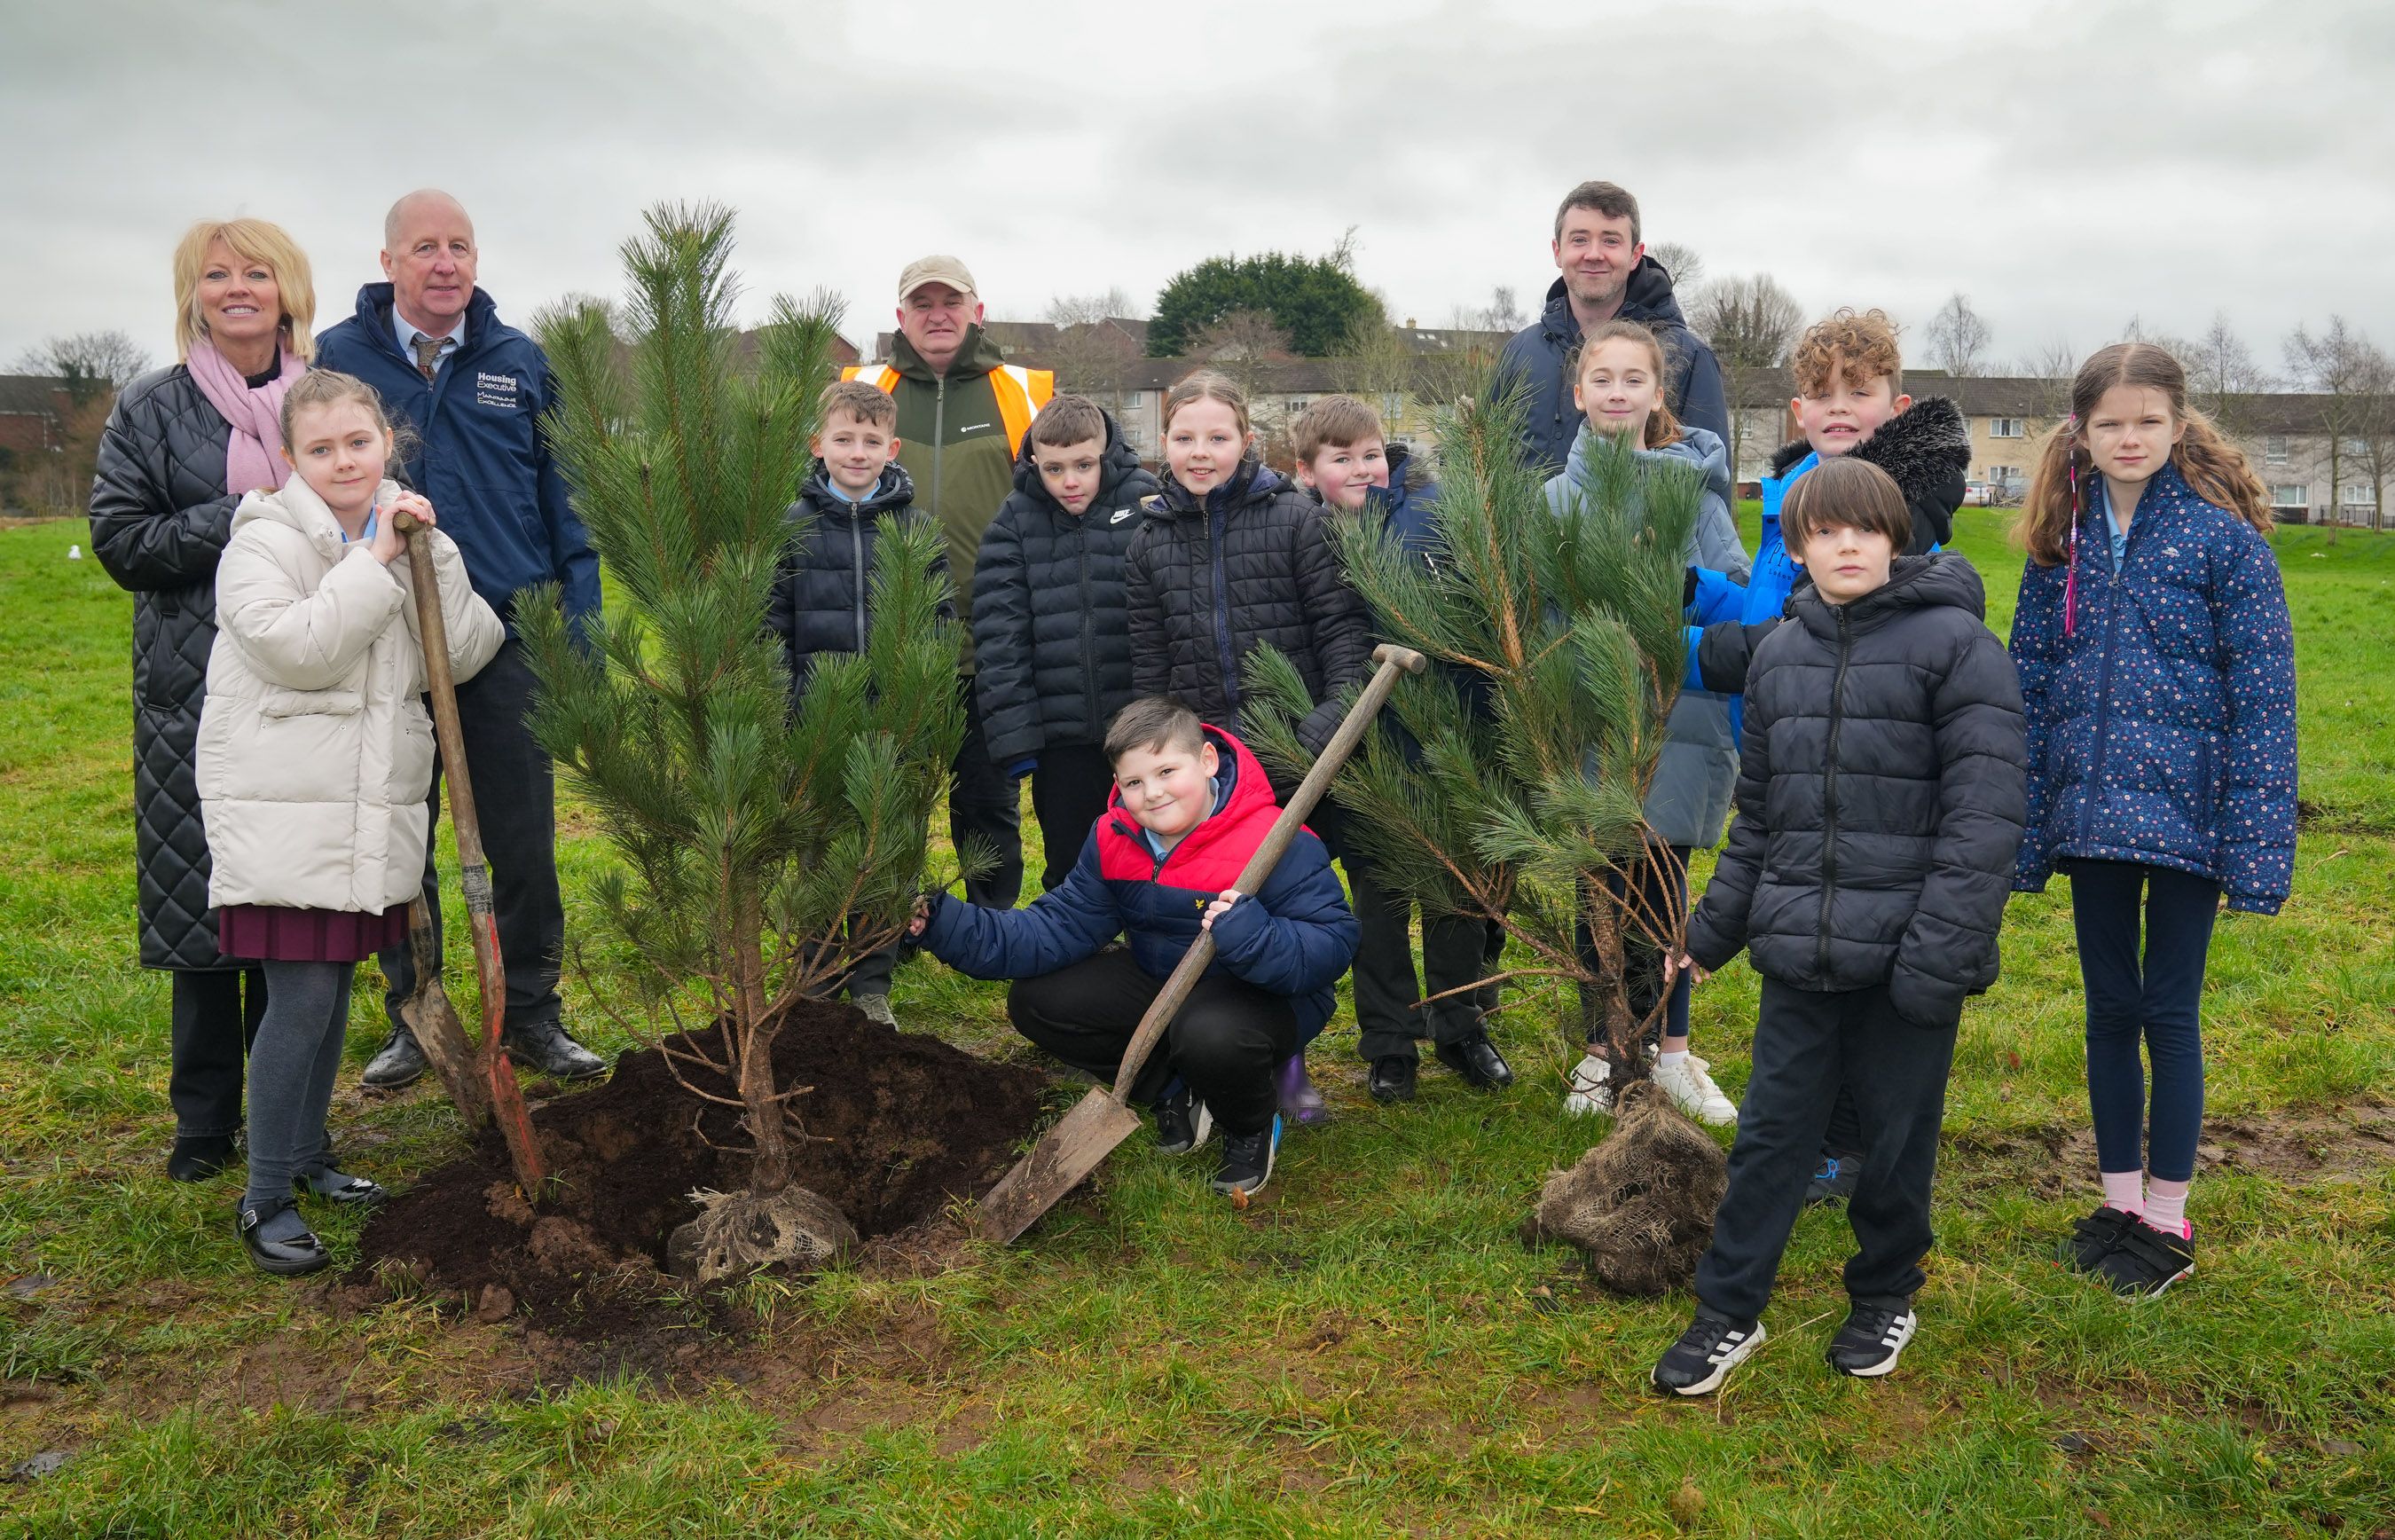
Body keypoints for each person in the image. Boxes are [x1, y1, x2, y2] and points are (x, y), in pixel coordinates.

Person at [1652, 457, 2026, 1395]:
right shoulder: (1781, 654)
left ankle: (1885, 1290)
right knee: (1772, 1135)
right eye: (1823, 530)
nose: (1845, 543)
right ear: (1798, 544)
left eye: (1864, 527)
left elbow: (1985, 822)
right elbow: (1762, 821)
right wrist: (1709, 931)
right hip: (1801, 955)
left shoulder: (1959, 646)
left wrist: (1939, 954)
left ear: (1896, 536)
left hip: (1911, 957)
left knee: (1895, 1143)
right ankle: (1728, 1310)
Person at [199, 369, 502, 1274]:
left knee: (330, 994)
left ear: (387, 446)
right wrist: (374, 565)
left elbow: (470, 648)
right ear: (290, 457)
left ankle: (306, 1154)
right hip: (288, 812)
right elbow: (300, 650)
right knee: (302, 998)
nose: (343, 461)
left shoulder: (398, 535)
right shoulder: (262, 541)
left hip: (366, 815)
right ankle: (264, 1196)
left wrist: (429, 556)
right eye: (321, 448)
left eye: (358, 444)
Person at [2009, 342, 2296, 1300]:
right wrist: (2026, 812)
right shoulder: (2062, 546)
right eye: (2109, 424)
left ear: (2178, 426)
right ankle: (2119, 1200)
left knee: (2168, 1011)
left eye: (2147, 421)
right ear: (2081, 437)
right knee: (2107, 1009)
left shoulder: (2226, 543)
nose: (2129, 438)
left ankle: (2168, 1219)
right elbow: (2032, 682)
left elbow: (2264, 700)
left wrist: (2254, 840)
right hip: (2091, 813)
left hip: (2190, 818)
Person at [315, 190, 605, 1088]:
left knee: (520, 834)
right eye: (427, 247)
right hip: (391, 632)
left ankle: (530, 1011)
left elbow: (565, 494)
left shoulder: (517, 360)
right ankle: (419, 1011)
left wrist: (579, 627)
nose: (447, 263)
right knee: (402, 835)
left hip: (509, 632)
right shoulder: (340, 358)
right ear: (389, 261)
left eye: (462, 247)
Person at [1687, 306, 1974, 1203]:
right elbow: (1771, 606)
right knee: (1812, 948)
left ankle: (1850, 1147)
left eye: (1860, 391)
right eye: (1822, 393)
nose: (1840, 406)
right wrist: (1695, 592)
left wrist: (1694, 653)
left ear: (1897, 401)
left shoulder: (1896, 503)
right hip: (1799, 752)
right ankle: (1826, 1129)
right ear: (1798, 409)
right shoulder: (1793, 494)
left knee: (1860, 950)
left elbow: (1821, 630)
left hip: (1873, 759)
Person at [909, 698, 1359, 1199]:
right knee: (1039, 1001)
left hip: (1263, 996)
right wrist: (941, 921)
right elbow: (1051, 929)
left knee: (1210, 1034)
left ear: (1207, 760)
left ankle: (1251, 1124)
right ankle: (1174, 1089)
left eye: (1167, 770)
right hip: (1166, 980)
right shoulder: (1115, 837)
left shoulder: (1276, 840)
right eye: (1134, 782)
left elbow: (1332, 945)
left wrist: (1254, 935)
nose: (1154, 793)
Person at [89, 217, 316, 1182]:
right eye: (216, 275)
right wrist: (240, 517)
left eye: (255, 273)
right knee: (201, 907)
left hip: (304, 681)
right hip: (195, 683)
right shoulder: (152, 407)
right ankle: (203, 1120)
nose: (237, 289)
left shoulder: (328, 398)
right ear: (193, 293)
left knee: (289, 903)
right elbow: (122, 542)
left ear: (285, 289)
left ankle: (291, 1115)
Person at [1124, 371, 1379, 1119]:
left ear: (1247, 441)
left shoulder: (1296, 520)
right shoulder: (1148, 544)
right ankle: (1219, 1058)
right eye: (1184, 438)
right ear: (1162, 442)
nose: (1200, 453)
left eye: (1217, 437)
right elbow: (1151, 664)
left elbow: (1338, 630)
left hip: (1301, 747)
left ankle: (1289, 1057)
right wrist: (1166, 760)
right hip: (1212, 765)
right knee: (1224, 906)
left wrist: (1330, 715)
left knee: (1293, 911)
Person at [1541, 321, 1748, 1128]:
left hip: (1679, 716)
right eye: (1603, 379)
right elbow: (1535, 612)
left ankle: (1671, 1055)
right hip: (1591, 719)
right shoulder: (1555, 499)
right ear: (1579, 393)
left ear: (1660, 395)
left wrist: (1670, 593)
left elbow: (1728, 586)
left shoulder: (1692, 491)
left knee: (1663, 894)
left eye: (1636, 380)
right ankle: (1602, 1050)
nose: (1618, 393)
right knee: (1600, 888)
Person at [1287, 394, 1512, 1104]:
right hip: (1365, 751)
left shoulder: (1429, 513)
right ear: (1306, 470)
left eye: (1370, 453)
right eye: (1341, 458)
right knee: (1378, 904)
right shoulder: (1309, 533)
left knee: (1456, 894)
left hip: (1447, 732)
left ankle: (1461, 1026)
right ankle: (1388, 1044)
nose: (1361, 469)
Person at [844, 257, 1055, 915]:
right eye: (922, 303)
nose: (938, 314)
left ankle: (990, 925)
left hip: (991, 637)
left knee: (986, 799)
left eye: (951, 301)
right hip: (888, 639)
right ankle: (888, 927)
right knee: (890, 798)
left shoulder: (1023, 392)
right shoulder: (861, 386)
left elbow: (1066, 489)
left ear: (977, 312)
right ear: (900, 315)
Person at [763, 379, 937, 1020]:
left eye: (871, 441)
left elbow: (937, 620)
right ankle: (814, 979)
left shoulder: (914, 529)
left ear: (891, 448)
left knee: (884, 854)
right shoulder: (794, 528)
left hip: (892, 722)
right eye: (844, 439)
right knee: (820, 857)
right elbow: (772, 627)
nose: (857, 452)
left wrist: (918, 704)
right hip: (818, 723)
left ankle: (871, 986)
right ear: (819, 445)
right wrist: (784, 713)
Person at [971, 393, 1159, 896]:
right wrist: (1017, 741)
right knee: (1071, 862)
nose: (1069, 481)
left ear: (1106, 452)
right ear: (1033, 461)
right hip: (1061, 739)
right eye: (1054, 468)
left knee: (1152, 853)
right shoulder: (1013, 521)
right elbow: (999, 637)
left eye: (1083, 465)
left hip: (1141, 726)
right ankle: (1072, 961)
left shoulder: (1149, 503)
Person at [1491, 180, 1728, 476]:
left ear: (1635, 254)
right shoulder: (1519, 354)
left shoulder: (1688, 357)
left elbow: (1712, 488)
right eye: (1579, 239)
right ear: (1557, 251)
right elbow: (1484, 473)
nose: (1593, 254)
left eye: (1611, 240)